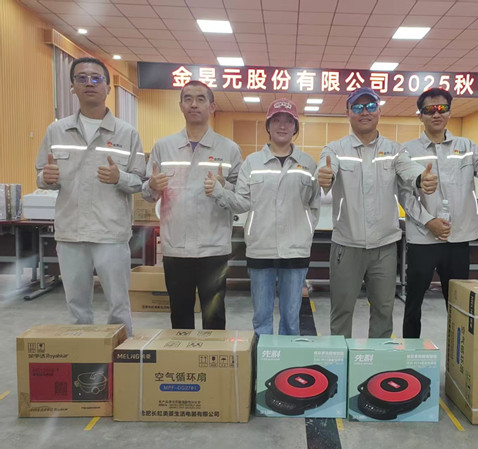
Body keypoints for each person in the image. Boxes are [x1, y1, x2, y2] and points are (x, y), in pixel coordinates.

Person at [35, 57, 145, 336]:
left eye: (96, 78)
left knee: (118, 306)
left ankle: (120, 357)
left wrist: (119, 178)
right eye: (81, 78)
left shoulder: (127, 134)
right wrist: (46, 178)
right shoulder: (56, 131)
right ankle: (82, 356)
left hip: (110, 234)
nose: (89, 83)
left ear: (107, 87)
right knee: (77, 308)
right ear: (72, 86)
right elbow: (41, 175)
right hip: (70, 233)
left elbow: (140, 182)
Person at [317, 87, 438, 338]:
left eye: (371, 106)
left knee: (384, 311)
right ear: (348, 112)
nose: (365, 112)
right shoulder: (335, 149)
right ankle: (340, 358)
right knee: (341, 311)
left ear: (379, 111)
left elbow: (409, 169)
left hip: (385, 246)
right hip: (346, 246)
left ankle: (376, 361)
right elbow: (326, 168)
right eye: (358, 107)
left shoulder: (394, 150)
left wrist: (421, 178)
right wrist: (325, 175)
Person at [205, 99, 320, 336]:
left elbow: (314, 203)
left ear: (295, 127)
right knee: (261, 318)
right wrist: (219, 191)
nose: (282, 125)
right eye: (276, 120)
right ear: (268, 126)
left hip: (296, 249)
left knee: (291, 318)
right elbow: (242, 203)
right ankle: (263, 357)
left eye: (288, 121)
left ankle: (286, 357)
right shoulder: (252, 162)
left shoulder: (308, 164)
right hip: (260, 247)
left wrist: (306, 230)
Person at [142, 81, 242, 330]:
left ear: (212, 107)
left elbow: (242, 197)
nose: (194, 104)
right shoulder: (164, 147)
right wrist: (152, 185)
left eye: (200, 99)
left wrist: (224, 187)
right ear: (180, 106)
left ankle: (213, 355)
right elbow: (148, 194)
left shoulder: (229, 149)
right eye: (188, 99)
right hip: (176, 247)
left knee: (214, 317)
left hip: (214, 247)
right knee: (180, 315)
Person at [399, 88, 478, 338]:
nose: (436, 114)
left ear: (449, 112)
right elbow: (404, 195)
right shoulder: (407, 151)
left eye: (442, 108)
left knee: (459, 306)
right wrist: (429, 221)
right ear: (420, 115)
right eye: (429, 110)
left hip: (457, 238)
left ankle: (458, 357)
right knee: (413, 304)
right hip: (423, 239)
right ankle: (410, 352)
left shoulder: (467, 147)